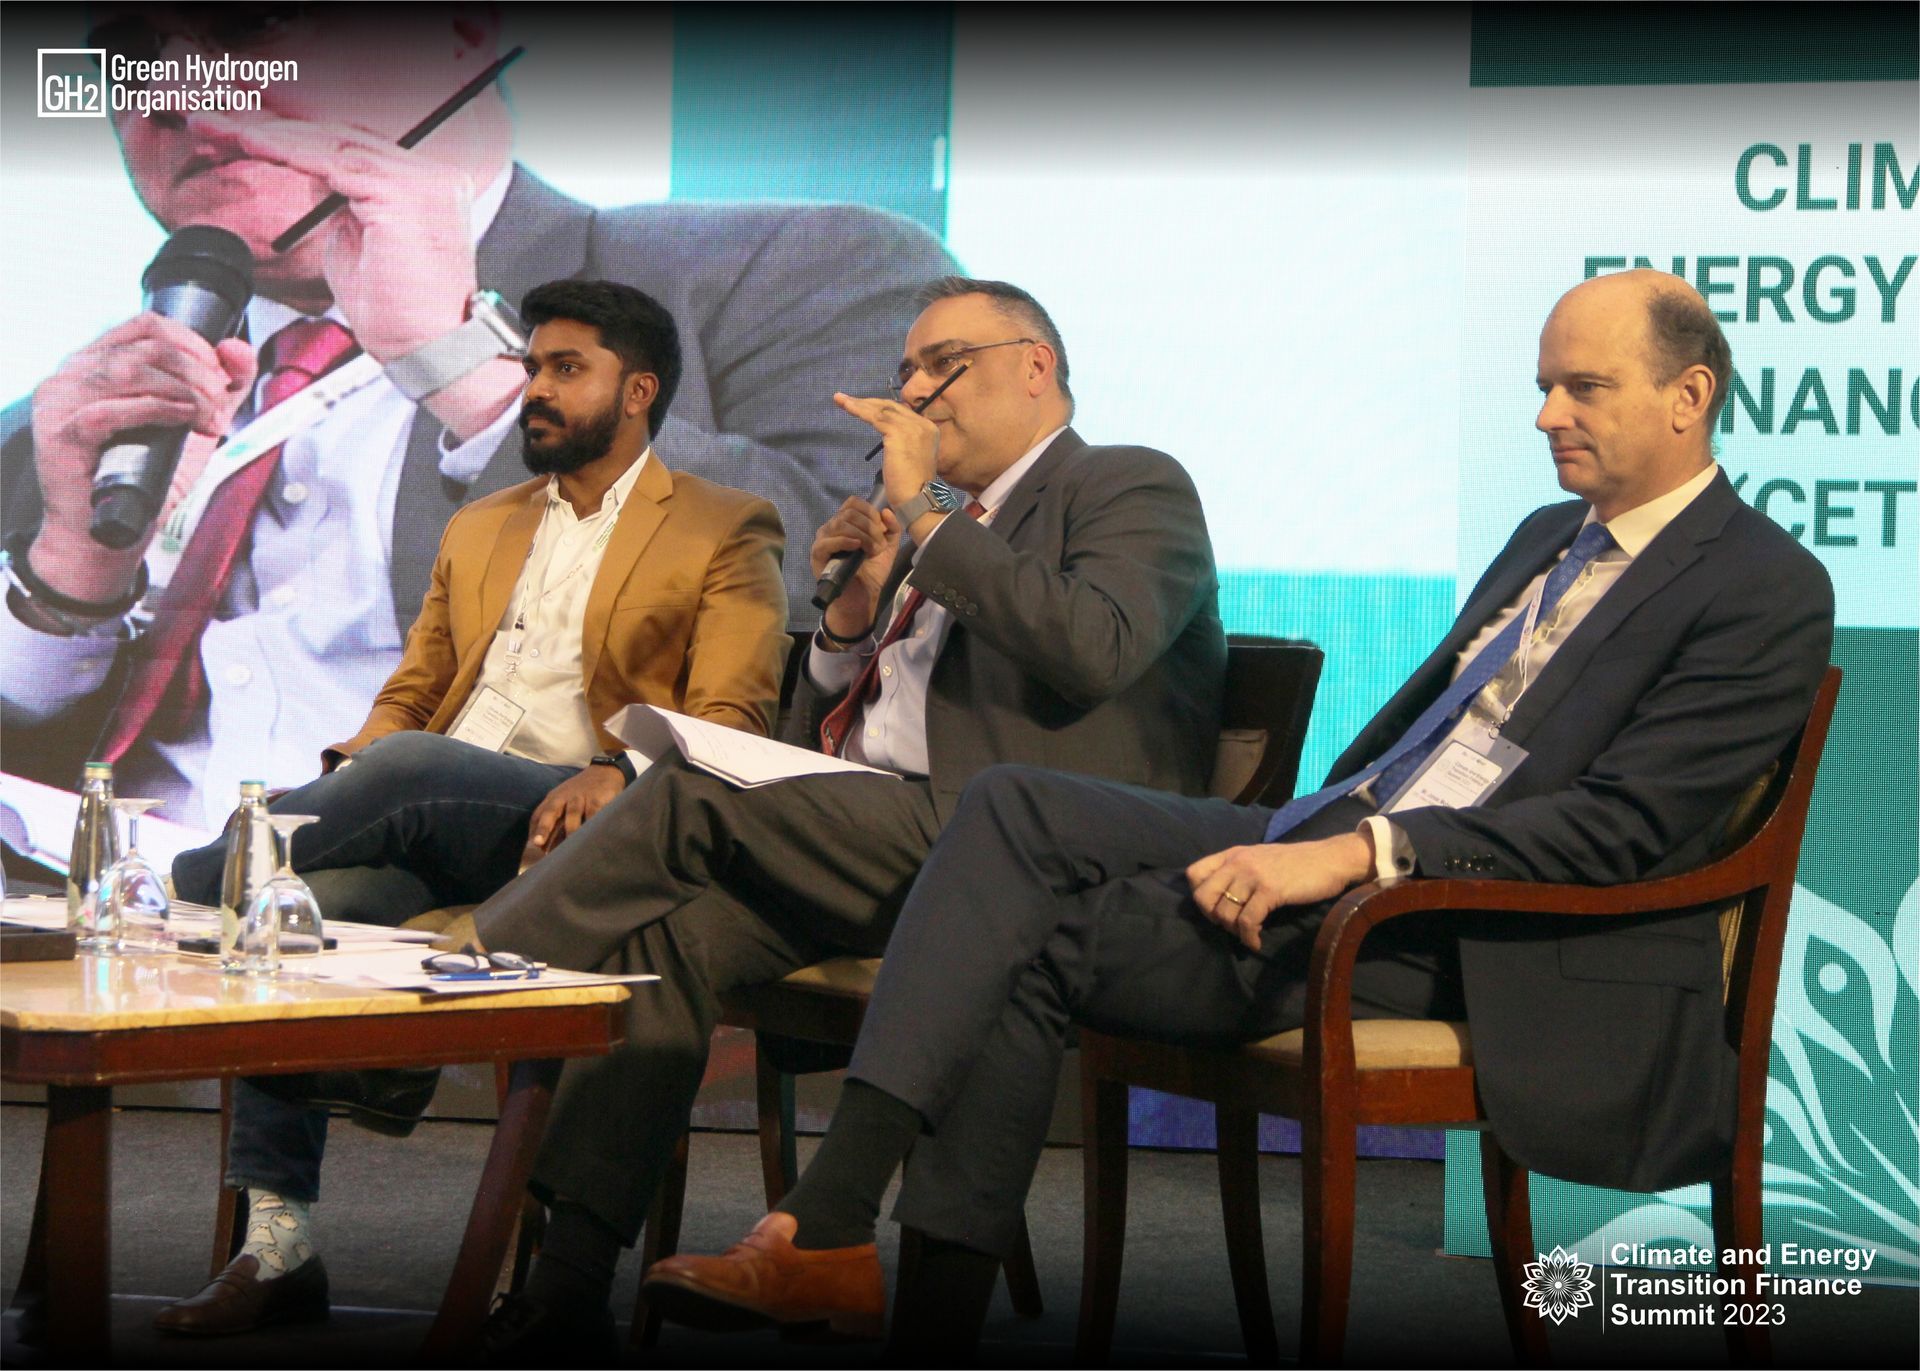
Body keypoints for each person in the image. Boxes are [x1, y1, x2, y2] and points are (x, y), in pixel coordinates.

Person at [642, 270, 1838, 1356]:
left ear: (1689, 396)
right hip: (1341, 835)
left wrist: (1362, 853)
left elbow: (1626, 827)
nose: (1546, 416)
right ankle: (835, 1239)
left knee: (1026, 942)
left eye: (1583, 388)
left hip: (1483, 926)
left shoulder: (1764, 584)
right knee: (1013, 810)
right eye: (1541, 388)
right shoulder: (1545, 538)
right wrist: (1334, 833)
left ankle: (852, 1254)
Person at [432, 276, 1228, 1357]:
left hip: (1019, 847)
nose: (916, 392)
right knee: (672, 935)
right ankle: (566, 1288)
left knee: (694, 786)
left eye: (943, 365)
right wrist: (848, 626)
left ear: (1036, 367)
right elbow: (843, 735)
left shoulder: (1125, 483)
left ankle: (441, 1006)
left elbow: (1093, 647)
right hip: (890, 840)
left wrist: (930, 514)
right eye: (906, 369)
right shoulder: (944, 531)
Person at [0, 4, 954, 829]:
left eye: (250, 24)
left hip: (464, 947)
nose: (174, 88)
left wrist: (475, 377)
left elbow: (870, 622)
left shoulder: (799, 271)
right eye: (130, 52)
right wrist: (69, 578)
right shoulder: (70, 423)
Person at [153, 277, 790, 1337]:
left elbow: (732, 717)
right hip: (443, 814)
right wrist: (353, 773)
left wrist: (622, 770)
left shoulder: (725, 525)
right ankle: (279, 1243)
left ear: (637, 391)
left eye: (565, 369)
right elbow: (411, 695)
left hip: (588, 828)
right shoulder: (484, 523)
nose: (534, 388)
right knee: (290, 908)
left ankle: (175, 885)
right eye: (532, 367)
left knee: (402, 773)